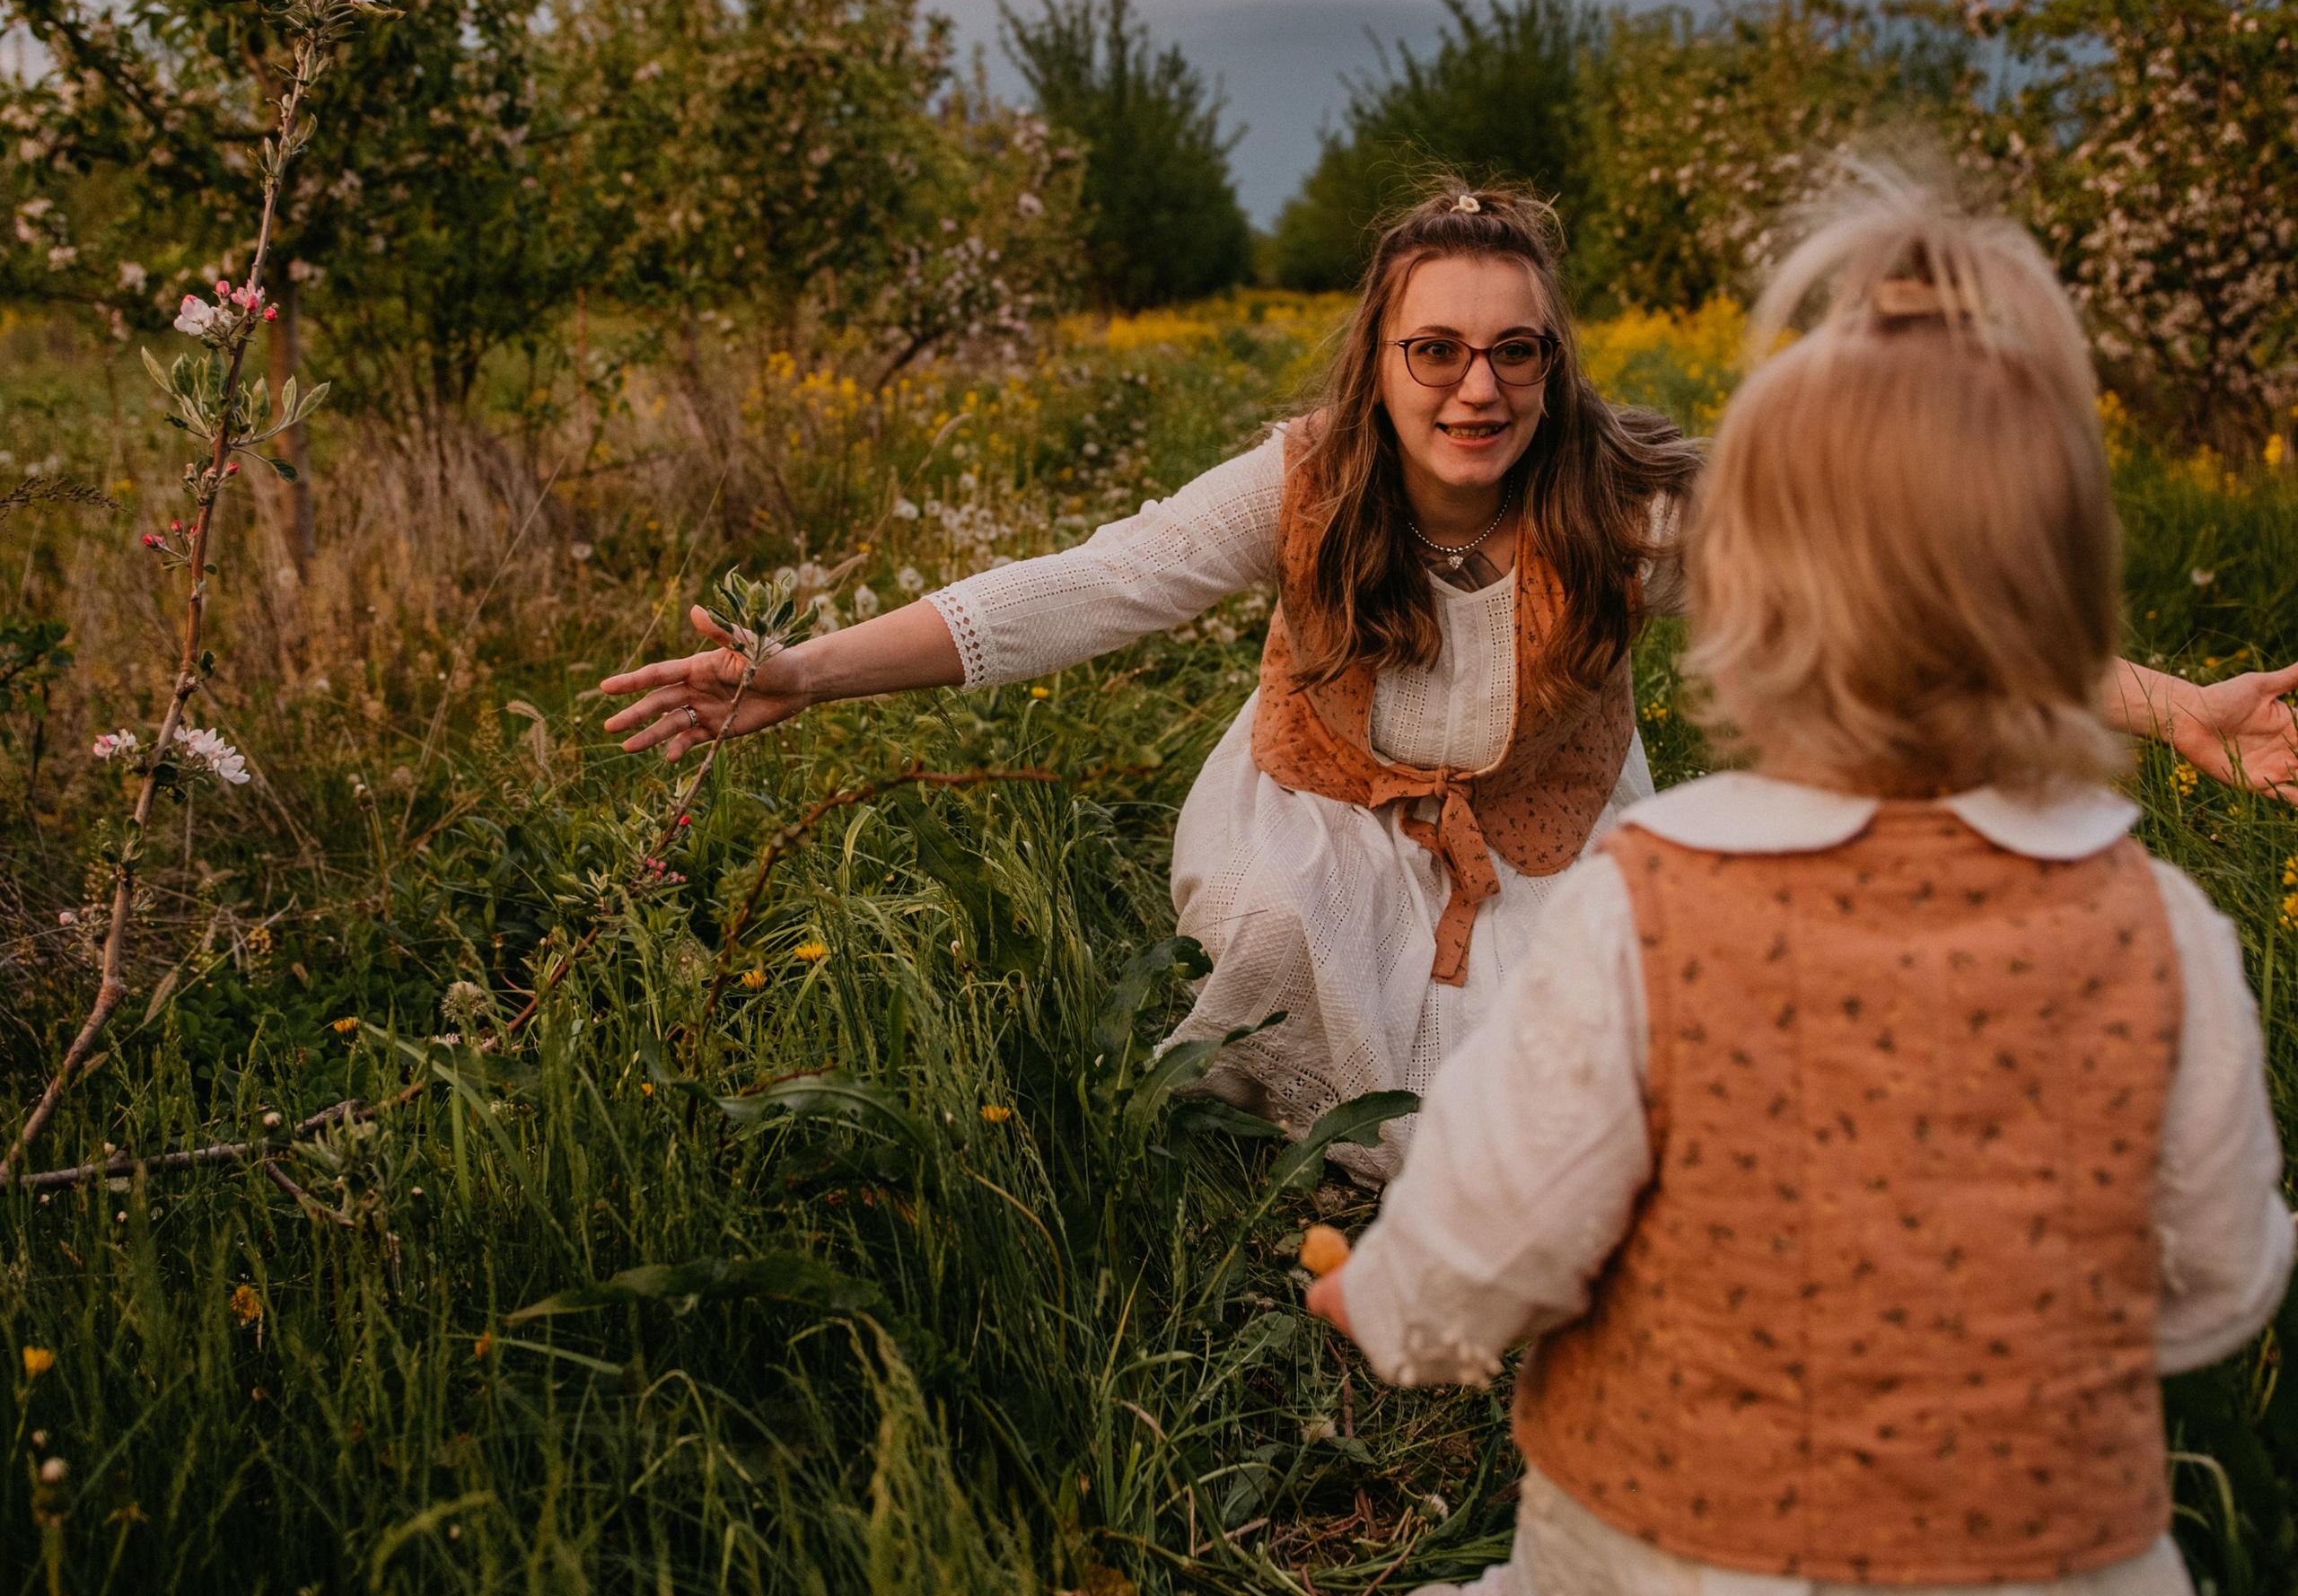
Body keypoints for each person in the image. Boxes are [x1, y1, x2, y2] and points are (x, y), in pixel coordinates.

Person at [1305, 186, 2296, 1596]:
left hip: (1669, 1532)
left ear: (1733, 594)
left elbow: (1489, 1224)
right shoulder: (2161, 937)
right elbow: (2216, 1285)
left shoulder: (1651, 908)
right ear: (2061, 610)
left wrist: (1382, 1310)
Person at [600, 179, 2298, 1179]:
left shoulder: (1631, 499)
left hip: (1543, 839)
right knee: (1290, 957)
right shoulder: (1306, 477)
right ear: (1383, 355)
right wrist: (805, 673)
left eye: (1513, 349)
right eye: (1437, 349)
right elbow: (1083, 591)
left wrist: (2178, 710)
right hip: (1322, 812)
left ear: (1553, 360)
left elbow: (1912, 609)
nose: (1476, 386)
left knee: (1566, 1074)